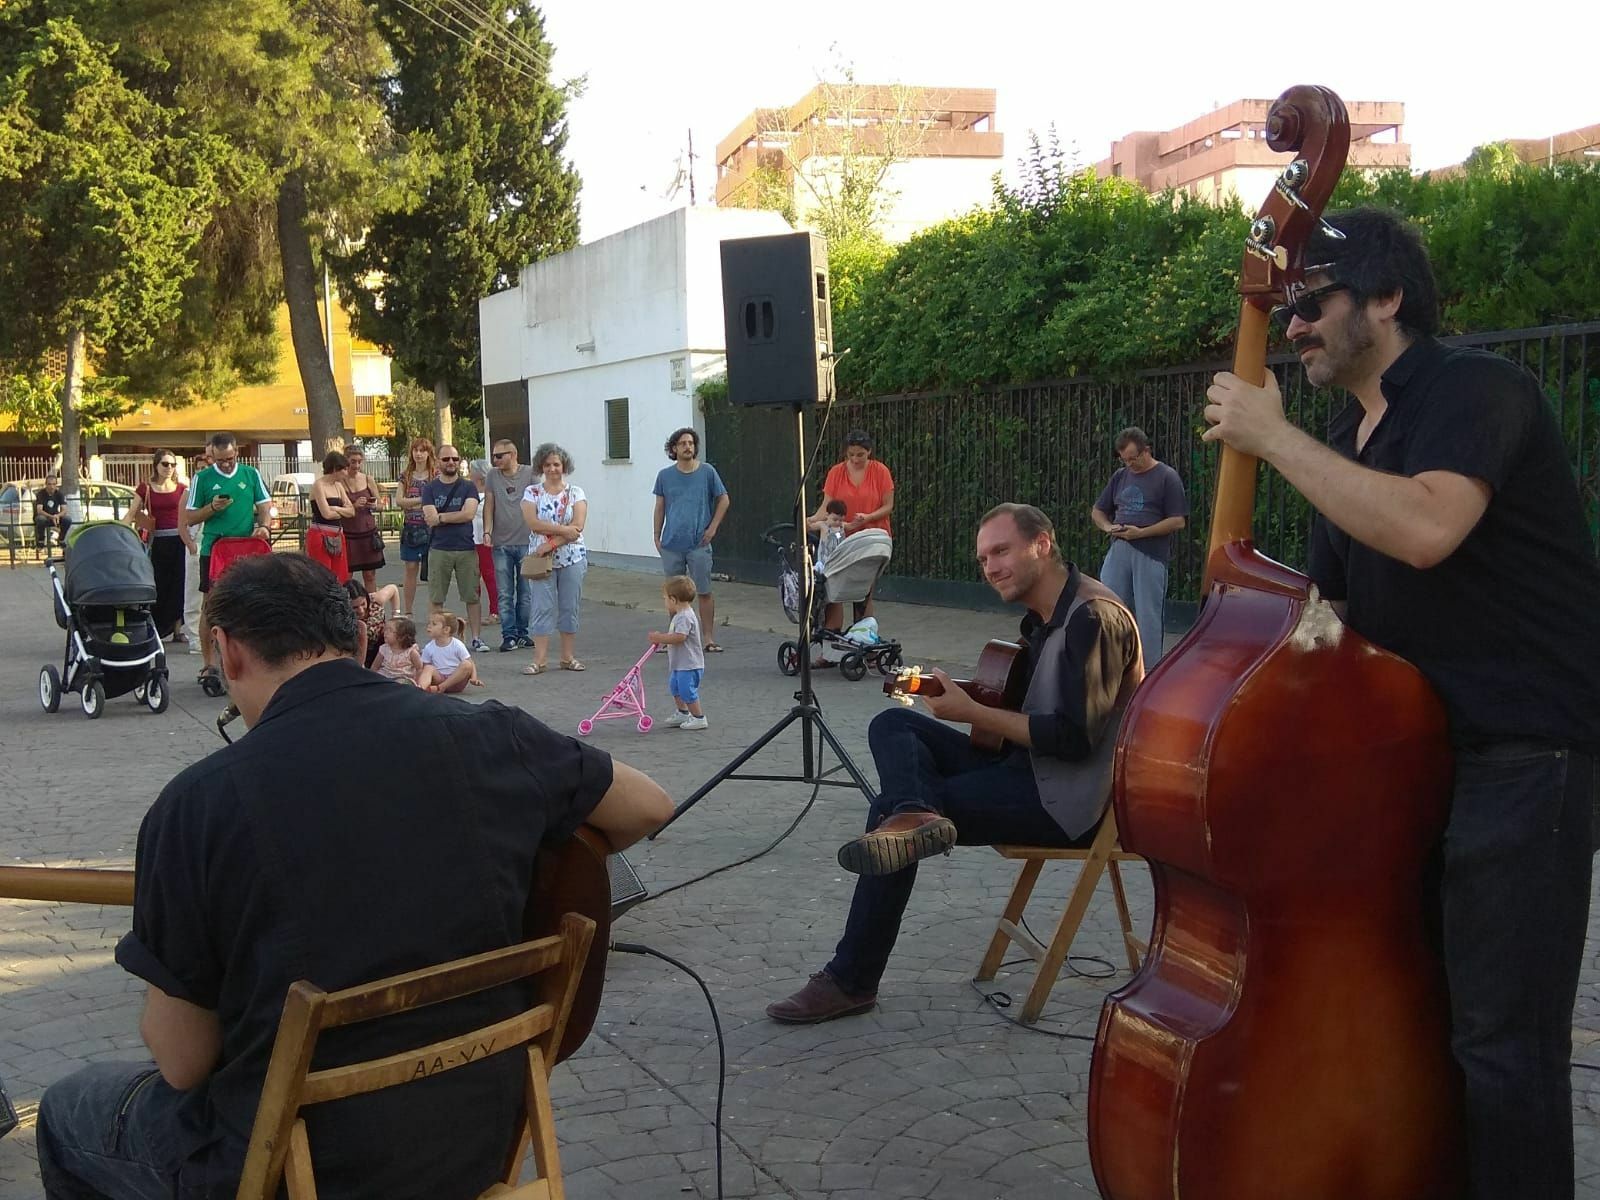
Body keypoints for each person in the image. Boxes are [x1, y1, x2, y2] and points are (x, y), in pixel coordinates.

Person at [34, 551, 673, 1200]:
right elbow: (650, 805)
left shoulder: (196, 806)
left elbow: (182, 1060)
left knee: (65, 1111)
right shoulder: (491, 733)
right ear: (358, 637)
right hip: (476, 1132)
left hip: (297, 1165)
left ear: (226, 652)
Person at [1201, 205, 1600, 1200]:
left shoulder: (1478, 391)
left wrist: (1274, 441)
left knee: (1503, 1045)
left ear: (1385, 299)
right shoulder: (1348, 428)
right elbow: (1335, 608)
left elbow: (1427, 530)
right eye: (1284, 310)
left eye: (1312, 305)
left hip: (1524, 753)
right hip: (1414, 752)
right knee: (1426, 1017)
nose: (1291, 328)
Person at [767, 503, 1141, 1024]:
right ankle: (917, 810)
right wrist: (951, 694)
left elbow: (1076, 739)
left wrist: (973, 711)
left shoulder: (1094, 617)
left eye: (1001, 551)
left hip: (1066, 801)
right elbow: (1022, 706)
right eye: (983, 557)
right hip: (1022, 768)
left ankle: (852, 979)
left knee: (885, 820)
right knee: (892, 724)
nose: (989, 567)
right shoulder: (1044, 616)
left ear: (1043, 544)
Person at [1089, 427, 1188, 667]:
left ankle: (1149, 669)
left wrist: (1142, 533)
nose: (1130, 464)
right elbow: (1097, 510)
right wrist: (1108, 528)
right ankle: (1113, 663)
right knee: (1110, 606)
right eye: (1125, 460)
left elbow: (1178, 520)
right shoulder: (1120, 476)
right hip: (1120, 547)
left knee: (1148, 615)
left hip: (1150, 552)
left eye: (1134, 458)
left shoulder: (1167, 476)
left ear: (1147, 451)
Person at [183, 432, 271, 692]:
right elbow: (190, 517)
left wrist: (263, 526)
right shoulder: (203, 478)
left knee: (250, 601)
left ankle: (250, 657)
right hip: (215, 546)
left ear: (237, 454)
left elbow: (264, 504)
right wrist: (212, 508)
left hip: (244, 544)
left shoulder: (250, 474)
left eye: (230, 459)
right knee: (211, 602)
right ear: (212, 457)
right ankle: (209, 662)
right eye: (220, 460)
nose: (226, 464)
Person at [652, 427, 730, 652]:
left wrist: (713, 527)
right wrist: (656, 536)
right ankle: (673, 637)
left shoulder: (707, 472)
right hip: (672, 543)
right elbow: (660, 507)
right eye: (682, 443)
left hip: (699, 543)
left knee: (704, 590)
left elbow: (724, 499)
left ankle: (708, 638)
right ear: (674, 448)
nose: (688, 446)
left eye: (691, 443)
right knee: (674, 593)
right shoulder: (665, 476)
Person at [808, 429, 895, 619]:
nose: (855, 459)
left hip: (871, 539)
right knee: (835, 588)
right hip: (842, 540)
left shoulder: (880, 471)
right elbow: (826, 507)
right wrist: (812, 520)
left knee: (863, 592)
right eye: (851, 455)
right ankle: (834, 634)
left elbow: (888, 506)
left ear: (869, 452)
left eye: (860, 455)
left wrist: (869, 517)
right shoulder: (836, 472)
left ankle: (863, 634)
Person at [520, 443, 588, 675]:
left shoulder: (576, 492)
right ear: (541, 466)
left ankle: (567, 657)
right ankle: (539, 660)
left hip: (572, 557)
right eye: (547, 464)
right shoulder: (532, 493)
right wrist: (564, 530)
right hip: (541, 560)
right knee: (541, 607)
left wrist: (551, 543)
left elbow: (577, 527)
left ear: (564, 466)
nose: (552, 469)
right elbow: (533, 523)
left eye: (556, 464)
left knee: (570, 606)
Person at [420, 444, 489, 653]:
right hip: (439, 549)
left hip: (466, 548)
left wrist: (441, 517)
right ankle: (436, 639)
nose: (451, 462)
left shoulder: (468, 487)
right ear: (438, 462)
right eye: (446, 459)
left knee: (472, 595)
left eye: (455, 459)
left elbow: (468, 514)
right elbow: (430, 519)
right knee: (436, 597)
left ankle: (476, 638)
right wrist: (447, 517)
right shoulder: (430, 488)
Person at [126, 450, 188, 642]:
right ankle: (156, 628)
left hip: (179, 540)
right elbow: (131, 513)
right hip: (157, 541)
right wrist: (119, 530)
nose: (169, 468)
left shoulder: (182, 488)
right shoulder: (145, 488)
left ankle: (178, 630)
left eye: (172, 464)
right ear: (156, 465)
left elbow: (190, 514)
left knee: (179, 584)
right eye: (165, 464)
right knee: (158, 584)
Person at [482, 438, 537, 652]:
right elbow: (489, 504)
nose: (495, 460)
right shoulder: (492, 476)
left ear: (512, 455)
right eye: (494, 456)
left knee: (525, 592)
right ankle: (509, 635)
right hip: (501, 543)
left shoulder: (530, 474)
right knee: (504, 592)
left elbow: (539, 502)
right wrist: (487, 531)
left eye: (499, 456)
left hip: (527, 542)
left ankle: (523, 632)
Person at [649, 574, 708, 730]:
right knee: (675, 687)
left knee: (686, 690)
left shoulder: (684, 617)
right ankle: (682, 712)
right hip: (680, 663)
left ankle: (698, 717)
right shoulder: (680, 616)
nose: (665, 602)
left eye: (665, 599)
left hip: (689, 664)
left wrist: (660, 637)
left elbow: (680, 637)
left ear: (673, 600)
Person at [396, 437, 438, 616]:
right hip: (411, 527)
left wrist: (412, 503)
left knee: (432, 570)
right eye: (415, 450)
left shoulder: (435, 475)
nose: (419, 454)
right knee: (411, 568)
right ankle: (408, 611)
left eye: (422, 450)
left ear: (429, 453)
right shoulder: (406, 475)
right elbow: (399, 500)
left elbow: (438, 500)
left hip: (431, 528)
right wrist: (422, 500)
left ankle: (433, 612)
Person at [341, 445, 385, 593]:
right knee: (346, 576)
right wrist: (353, 506)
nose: (357, 466)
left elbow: (380, 505)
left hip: (367, 532)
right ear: (346, 461)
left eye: (360, 462)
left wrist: (373, 504)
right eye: (353, 462)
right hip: (348, 533)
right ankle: (347, 609)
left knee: (370, 575)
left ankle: (373, 610)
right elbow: (334, 509)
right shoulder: (339, 482)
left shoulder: (368, 479)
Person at [179, 447, 211, 653]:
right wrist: (191, 547)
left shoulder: (213, 490)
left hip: (212, 541)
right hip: (195, 543)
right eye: (198, 469)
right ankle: (193, 636)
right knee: (193, 593)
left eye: (205, 468)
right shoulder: (189, 492)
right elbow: (181, 523)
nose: (201, 472)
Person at [307, 450, 355, 583]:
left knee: (340, 576)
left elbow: (351, 511)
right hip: (320, 533)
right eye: (344, 469)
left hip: (338, 534)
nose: (346, 472)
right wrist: (341, 511)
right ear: (335, 469)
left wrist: (336, 508)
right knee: (324, 576)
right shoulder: (319, 485)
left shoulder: (339, 486)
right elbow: (326, 514)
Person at [418, 608, 483, 694]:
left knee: (466, 664)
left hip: (456, 681)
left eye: (434, 624)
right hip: (439, 679)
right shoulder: (428, 647)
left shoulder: (457, 645)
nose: (429, 626)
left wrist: (474, 678)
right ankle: (420, 689)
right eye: (429, 623)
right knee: (428, 668)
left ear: (446, 630)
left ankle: (441, 687)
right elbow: (425, 668)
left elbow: (471, 663)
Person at [469, 462, 501, 625]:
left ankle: (495, 611)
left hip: (485, 540)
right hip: (470, 540)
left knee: (489, 575)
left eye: (471, 471)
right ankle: (475, 612)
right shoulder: (469, 492)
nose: (468, 474)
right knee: (473, 577)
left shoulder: (490, 493)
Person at [344, 577, 399, 670]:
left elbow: (393, 589)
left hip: (384, 647)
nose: (361, 610)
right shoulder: (342, 617)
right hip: (358, 653)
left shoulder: (375, 600)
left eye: (363, 604)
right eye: (355, 607)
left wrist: (396, 616)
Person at [374, 616, 425, 685]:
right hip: (385, 676)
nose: (385, 633)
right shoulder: (384, 648)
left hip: (403, 678)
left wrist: (417, 682)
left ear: (402, 636)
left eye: (390, 630)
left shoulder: (411, 652)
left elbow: (419, 668)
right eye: (385, 629)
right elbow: (375, 666)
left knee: (402, 683)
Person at [32, 472, 70, 556]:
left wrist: (57, 515)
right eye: (49, 484)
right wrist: (51, 516)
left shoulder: (59, 494)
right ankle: (41, 540)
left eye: (53, 484)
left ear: (56, 484)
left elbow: (64, 510)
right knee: (40, 519)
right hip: (45, 517)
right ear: (46, 484)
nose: (51, 486)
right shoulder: (41, 494)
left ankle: (61, 539)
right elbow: (39, 510)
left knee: (67, 519)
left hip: (55, 517)